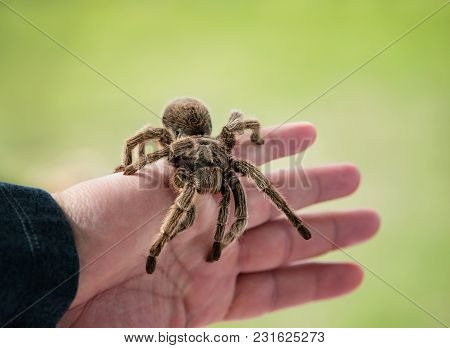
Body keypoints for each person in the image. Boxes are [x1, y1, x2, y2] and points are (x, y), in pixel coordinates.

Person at [0, 122, 379, 327]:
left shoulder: (228, 159)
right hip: (184, 154)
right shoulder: (170, 145)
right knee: (190, 199)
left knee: (242, 199)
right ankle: (158, 246)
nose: (214, 182)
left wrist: (285, 217)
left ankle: (242, 234)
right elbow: (142, 140)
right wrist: (130, 167)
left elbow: (247, 159)